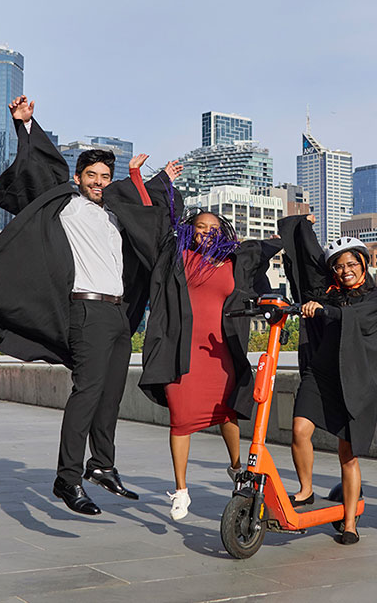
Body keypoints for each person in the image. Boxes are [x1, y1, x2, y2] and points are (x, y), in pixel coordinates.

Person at [0, 95, 183, 515]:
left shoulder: (116, 212)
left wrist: (164, 179)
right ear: (78, 178)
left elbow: (143, 203)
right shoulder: (68, 206)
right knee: (88, 392)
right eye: (91, 175)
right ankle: (67, 479)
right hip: (87, 311)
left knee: (111, 394)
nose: (98, 181)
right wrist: (25, 124)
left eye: (104, 176)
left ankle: (102, 466)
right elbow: (40, 168)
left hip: (118, 315)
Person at [136, 207, 281, 520]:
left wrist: (286, 236)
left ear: (222, 232)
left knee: (226, 412)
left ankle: (236, 468)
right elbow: (153, 224)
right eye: (201, 227)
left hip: (220, 352)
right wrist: (139, 178)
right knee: (181, 417)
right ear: (191, 230)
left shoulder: (232, 262)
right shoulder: (178, 256)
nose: (206, 232)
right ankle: (181, 490)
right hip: (182, 351)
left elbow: (260, 263)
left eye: (213, 228)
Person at [278, 215, 377, 545]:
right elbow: (309, 261)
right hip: (321, 374)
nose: (345, 271)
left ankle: (349, 522)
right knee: (300, 429)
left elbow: (353, 318)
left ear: (363, 264)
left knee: (348, 454)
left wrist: (327, 312)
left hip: (353, 380)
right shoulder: (327, 293)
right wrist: (302, 227)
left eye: (351, 264)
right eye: (340, 266)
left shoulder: (375, 301)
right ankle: (305, 489)